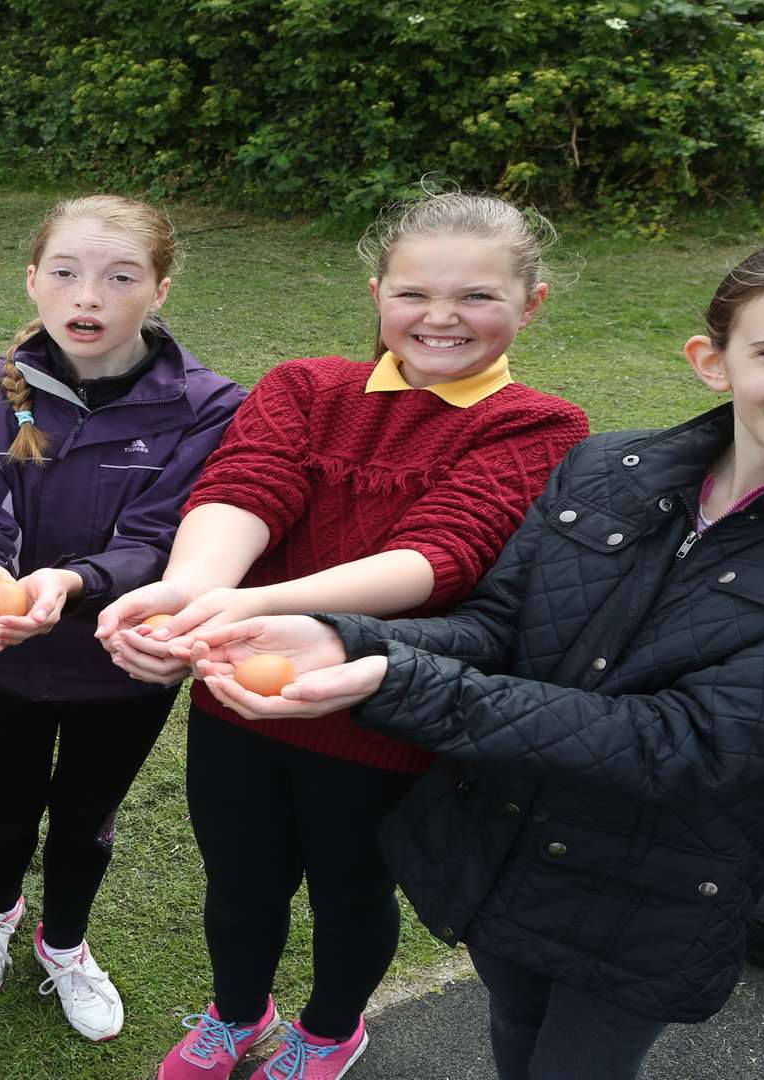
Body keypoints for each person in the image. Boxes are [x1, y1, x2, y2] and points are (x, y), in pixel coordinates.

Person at [184, 225, 764, 1079]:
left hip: (652, 890)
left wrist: (389, 674)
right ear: (714, 359)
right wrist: (345, 635)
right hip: (503, 849)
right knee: (513, 1031)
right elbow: (496, 631)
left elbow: (687, 743)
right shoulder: (608, 469)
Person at [98, 191, 591, 1080]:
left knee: (351, 890)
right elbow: (247, 488)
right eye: (413, 293)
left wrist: (251, 609)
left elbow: (443, 551)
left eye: (477, 296)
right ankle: (237, 1015)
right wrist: (189, 594)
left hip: (380, 712)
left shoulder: (539, 424)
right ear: (377, 292)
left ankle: (329, 1033)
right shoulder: (306, 387)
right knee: (240, 881)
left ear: (532, 302)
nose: (440, 318)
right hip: (237, 698)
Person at [0, 194, 245, 1041]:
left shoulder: (208, 406)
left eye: (119, 277)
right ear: (33, 280)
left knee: (86, 817)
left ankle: (63, 938)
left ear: (162, 289)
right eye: (64, 273)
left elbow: (163, 535)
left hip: (124, 661)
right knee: (3, 807)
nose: (87, 298)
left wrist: (70, 582)